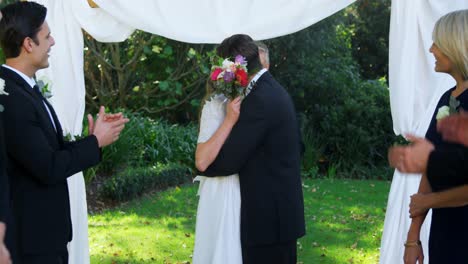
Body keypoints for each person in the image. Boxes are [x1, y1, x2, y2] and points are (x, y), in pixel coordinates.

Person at [0, 2, 129, 263]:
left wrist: (94, 140)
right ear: (28, 44)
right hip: (30, 244)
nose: (53, 42)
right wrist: (94, 142)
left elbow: (48, 153)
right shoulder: (12, 99)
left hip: (47, 238)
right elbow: (48, 167)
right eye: (47, 36)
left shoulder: (27, 90)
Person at [200, 34, 305, 264]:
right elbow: (299, 146)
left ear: (236, 69)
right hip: (278, 214)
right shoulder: (271, 90)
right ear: (258, 56)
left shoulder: (260, 99)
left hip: (269, 220)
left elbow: (229, 160)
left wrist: (202, 164)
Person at [388, 9, 468, 264]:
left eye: (438, 43)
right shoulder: (448, 99)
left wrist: (429, 201)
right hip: (445, 230)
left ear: (456, 46)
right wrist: (413, 237)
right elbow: (430, 169)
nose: (431, 49)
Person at [192, 79, 243, 263]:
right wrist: (229, 120)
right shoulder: (216, 105)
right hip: (222, 190)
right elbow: (202, 161)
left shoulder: (257, 103)